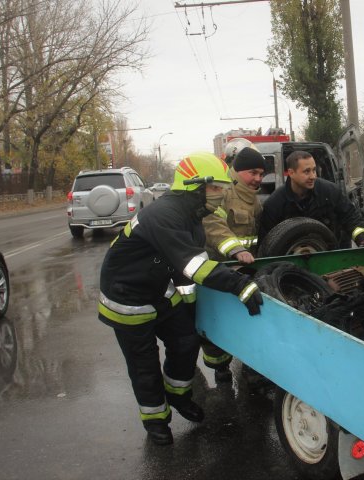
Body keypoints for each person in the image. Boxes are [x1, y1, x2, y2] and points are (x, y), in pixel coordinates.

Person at [97, 152, 263, 446]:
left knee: (185, 341)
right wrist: (239, 284)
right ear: (194, 186)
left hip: (159, 287)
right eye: (216, 188)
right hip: (127, 294)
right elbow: (195, 267)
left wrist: (190, 305)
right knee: (144, 364)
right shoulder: (165, 215)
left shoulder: (192, 214)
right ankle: (156, 421)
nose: (221, 194)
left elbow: (188, 266)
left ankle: (179, 395)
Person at [201, 146, 265, 382]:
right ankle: (220, 369)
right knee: (215, 323)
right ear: (237, 171)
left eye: (261, 174)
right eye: (253, 173)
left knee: (246, 318)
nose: (258, 179)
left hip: (242, 272)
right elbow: (212, 225)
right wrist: (235, 249)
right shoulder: (223, 192)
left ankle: (250, 365)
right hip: (216, 268)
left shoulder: (254, 201)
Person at [257, 150, 364, 250]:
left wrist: (363, 236)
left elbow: (350, 217)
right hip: (290, 263)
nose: (313, 176)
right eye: (307, 171)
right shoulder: (275, 203)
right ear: (291, 173)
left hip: (331, 256)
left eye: (314, 170)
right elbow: (267, 244)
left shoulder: (330, 191)